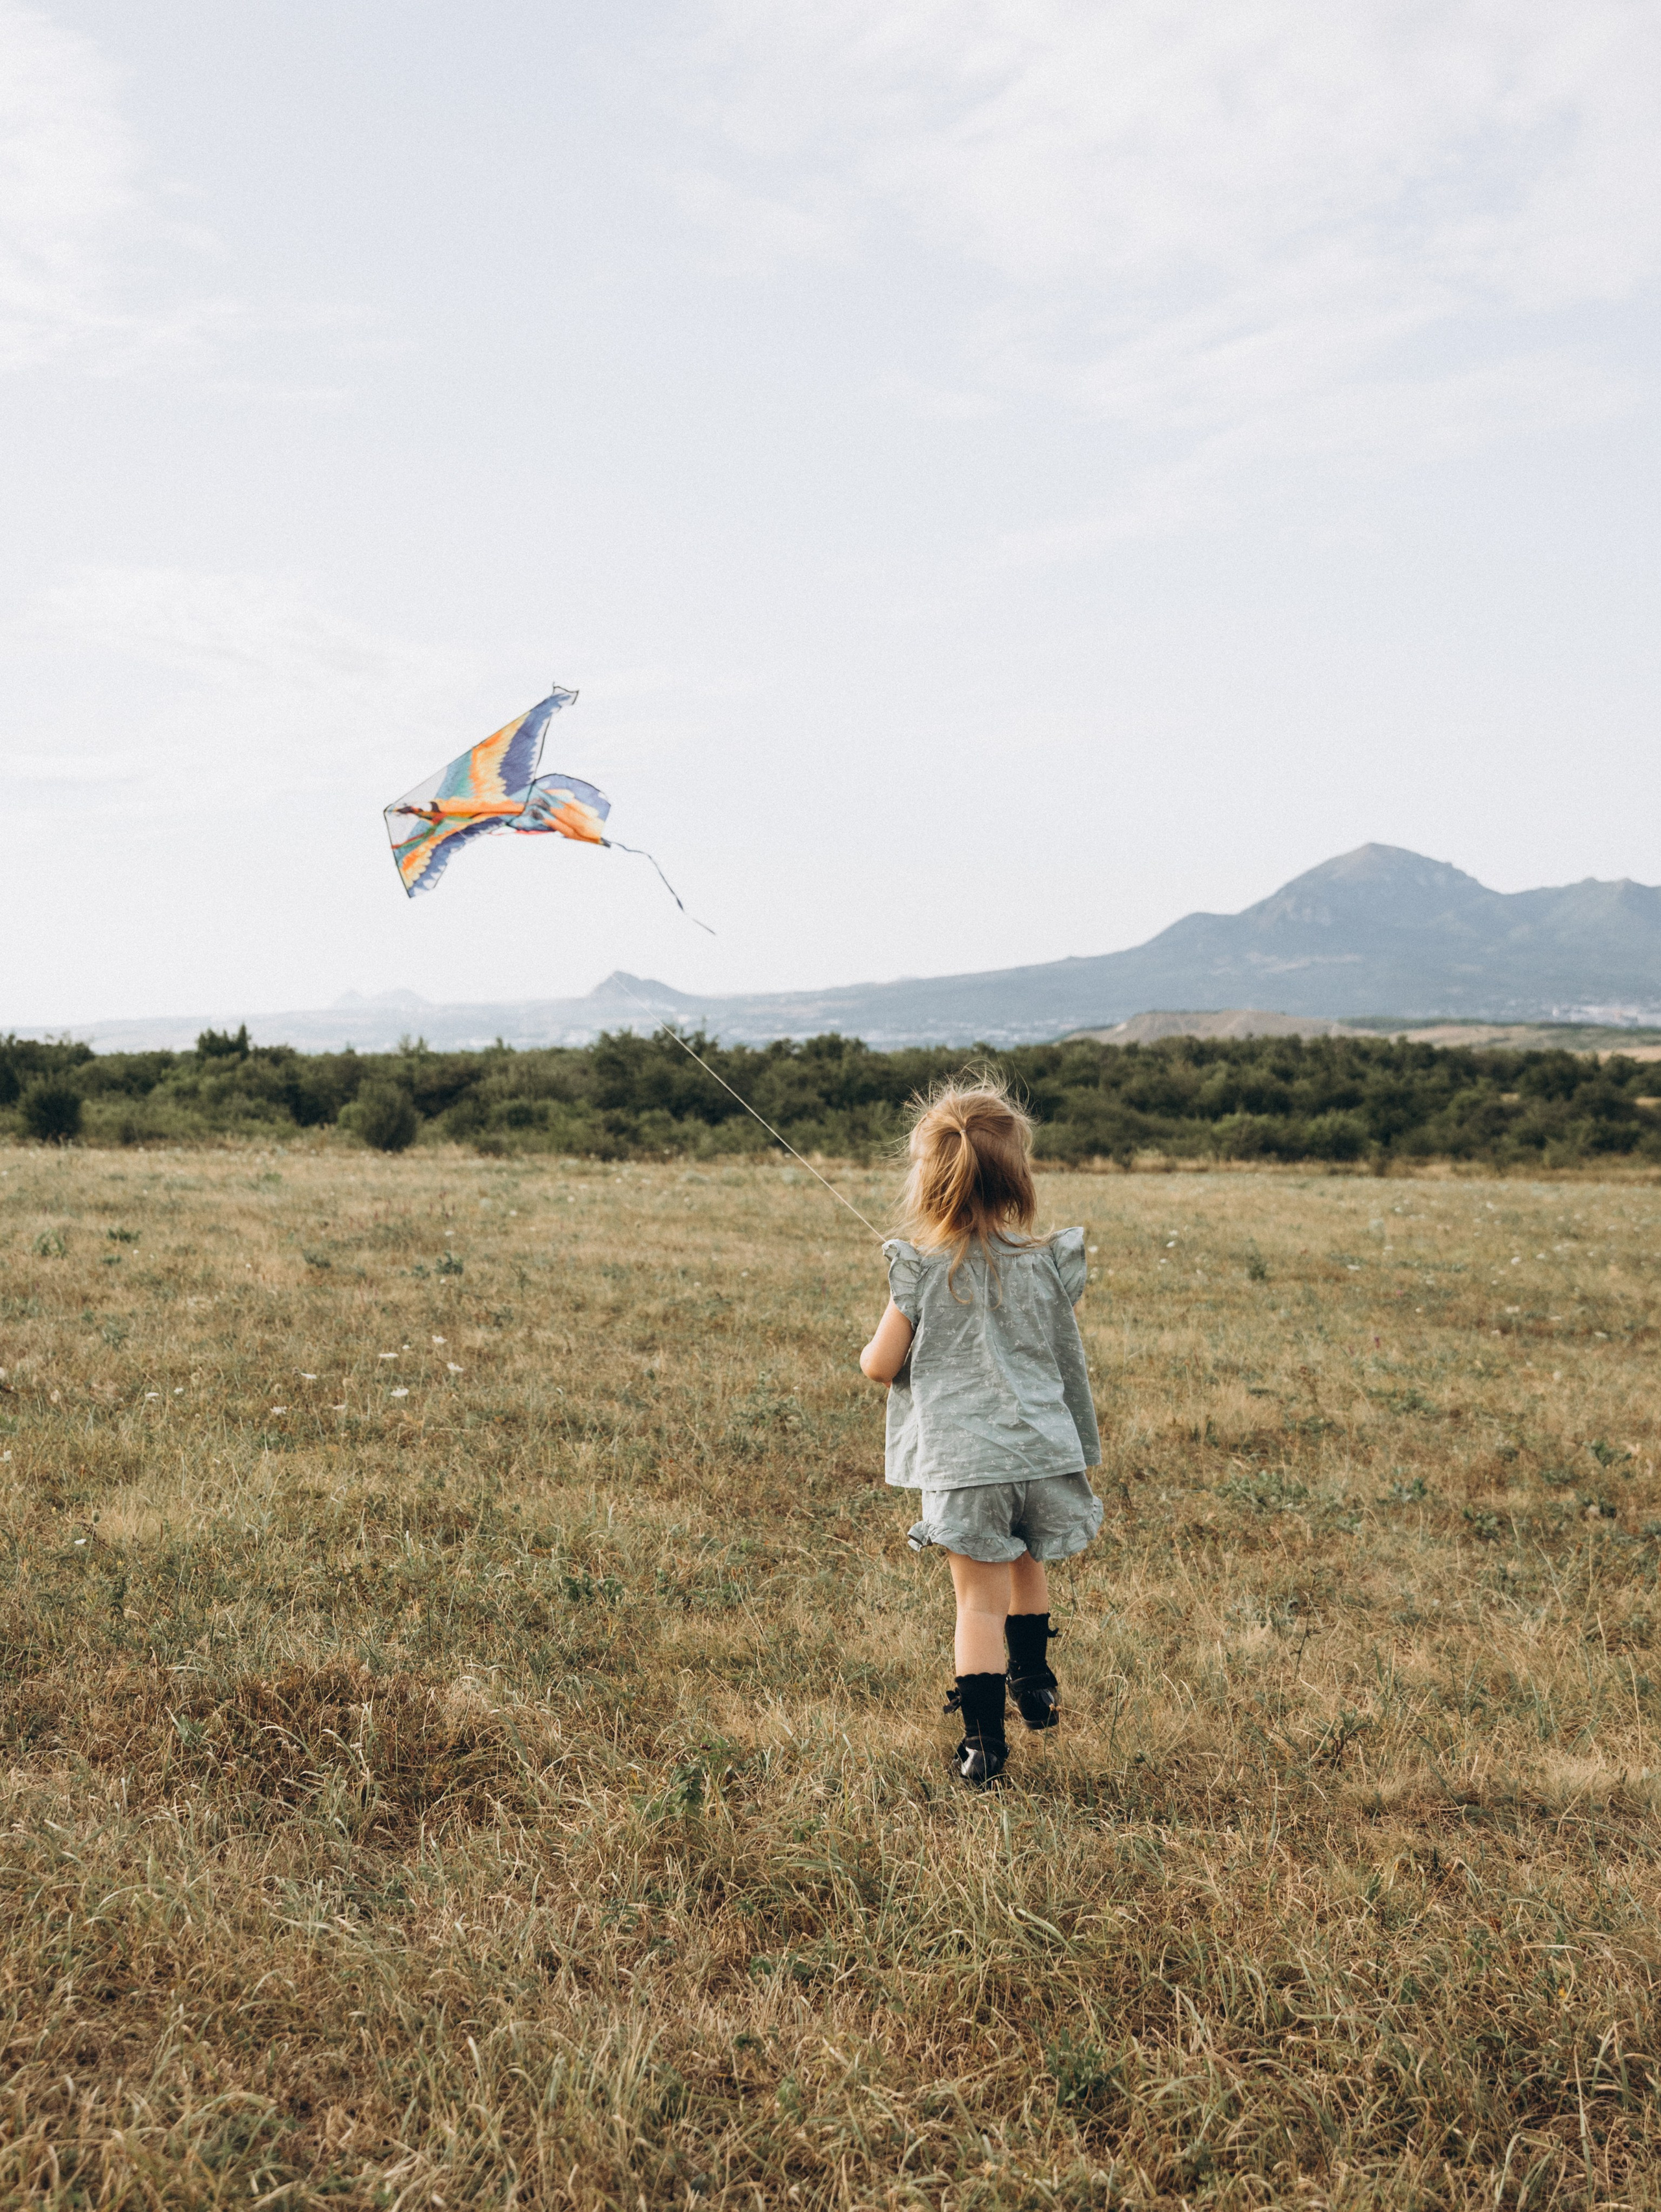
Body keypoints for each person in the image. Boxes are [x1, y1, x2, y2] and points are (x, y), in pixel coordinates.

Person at [860, 1079, 1103, 1786]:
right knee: (1027, 1557)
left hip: (969, 1466)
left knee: (977, 1599)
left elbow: (880, 1366)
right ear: (1016, 1177)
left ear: (929, 1180)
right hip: (1043, 1452)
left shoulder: (920, 1269)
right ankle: (1034, 1681)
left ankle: (983, 1744)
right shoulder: (1051, 1262)